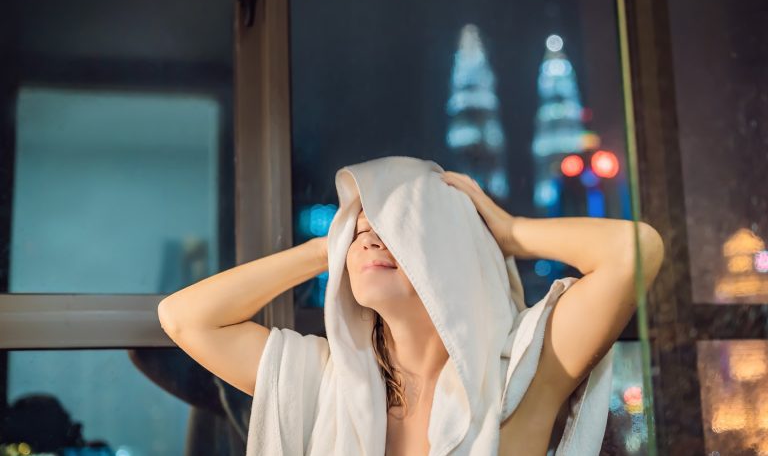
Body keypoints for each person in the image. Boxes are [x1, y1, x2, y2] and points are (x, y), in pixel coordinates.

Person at [158, 158, 664, 456]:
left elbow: (635, 251)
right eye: (360, 234)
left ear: (450, 252)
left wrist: (509, 234)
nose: (368, 243)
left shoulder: (524, 372)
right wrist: (327, 246)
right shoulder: (327, 380)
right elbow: (185, 318)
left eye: (393, 232)